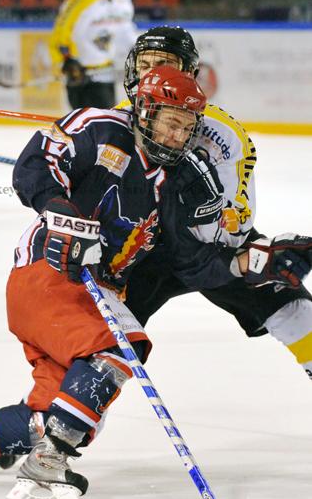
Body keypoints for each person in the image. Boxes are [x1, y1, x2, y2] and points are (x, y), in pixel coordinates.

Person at [0, 66, 311, 499]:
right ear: (145, 112)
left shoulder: (182, 183)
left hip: (96, 296)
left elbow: (194, 264)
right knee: (119, 347)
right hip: (49, 273)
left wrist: (251, 263)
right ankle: (45, 466)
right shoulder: (100, 128)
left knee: (55, 415)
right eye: (170, 122)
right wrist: (61, 212)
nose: (177, 136)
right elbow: (36, 164)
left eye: (187, 128)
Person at [119, 25, 312, 381]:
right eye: (145, 64)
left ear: (190, 72)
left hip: (212, 247)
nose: (152, 72)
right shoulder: (111, 123)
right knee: (102, 340)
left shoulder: (222, 135)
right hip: (144, 251)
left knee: (295, 307)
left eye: (164, 63)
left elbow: (233, 225)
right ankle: (54, 422)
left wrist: (246, 260)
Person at [49, 0, 137, 109]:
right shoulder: (79, 0)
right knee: (86, 123)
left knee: (106, 120)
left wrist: (140, 54)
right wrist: (66, 61)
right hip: (82, 77)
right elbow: (59, 36)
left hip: (107, 74)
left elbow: (126, 33)